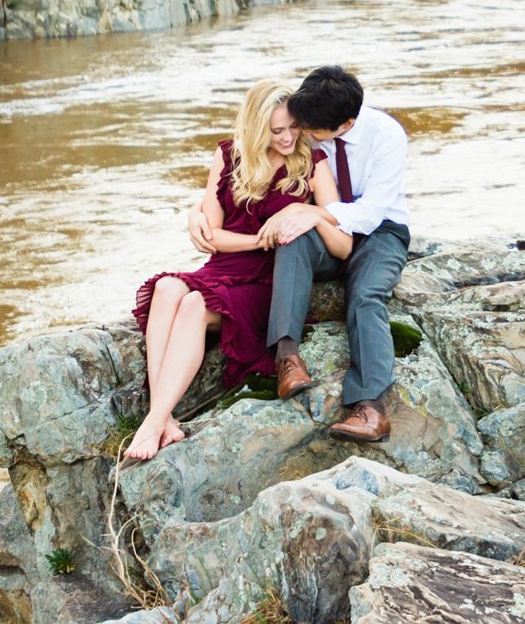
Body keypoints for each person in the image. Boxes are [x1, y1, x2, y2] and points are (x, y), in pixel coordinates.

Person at [124, 79, 350, 461]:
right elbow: (212, 235)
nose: (288, 137)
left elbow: (340, 233)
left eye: (294, 127)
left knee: (195, 305)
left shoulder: (312, 162)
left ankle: (153, 421)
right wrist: (261, 237)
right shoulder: (229, 157)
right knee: (165, 290)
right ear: (256, 127)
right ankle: (164, 418)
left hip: (270, 277)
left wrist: (308, 215)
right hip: (225, 263)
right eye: (276, 130)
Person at [261, 65, 411, 443]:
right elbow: (251, 161)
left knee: (365, 296)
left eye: (310, 132)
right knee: (292, 237)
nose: (301, 136)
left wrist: (312, 211)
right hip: (326, 233)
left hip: (380, 233)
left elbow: (371, 213)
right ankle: (287, 359)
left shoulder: (387, 135)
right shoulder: (309, 123)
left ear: (344, 125)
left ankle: (371, 407)